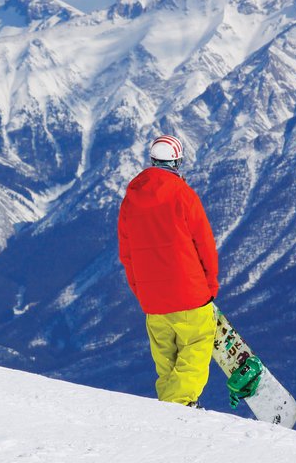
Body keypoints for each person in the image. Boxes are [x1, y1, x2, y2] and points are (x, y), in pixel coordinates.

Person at [117, 134, 220, 407]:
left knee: (166, 362)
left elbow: (126, 255)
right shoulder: (183, 195)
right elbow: (205, 245)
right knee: (195, 351)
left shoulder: (130, 201)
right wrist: (210, 286)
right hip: (190, 294)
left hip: (153, 301)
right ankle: (180, 408)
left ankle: (170, 412)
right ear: (177, 162)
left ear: (152, 161)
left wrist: (142, 293)